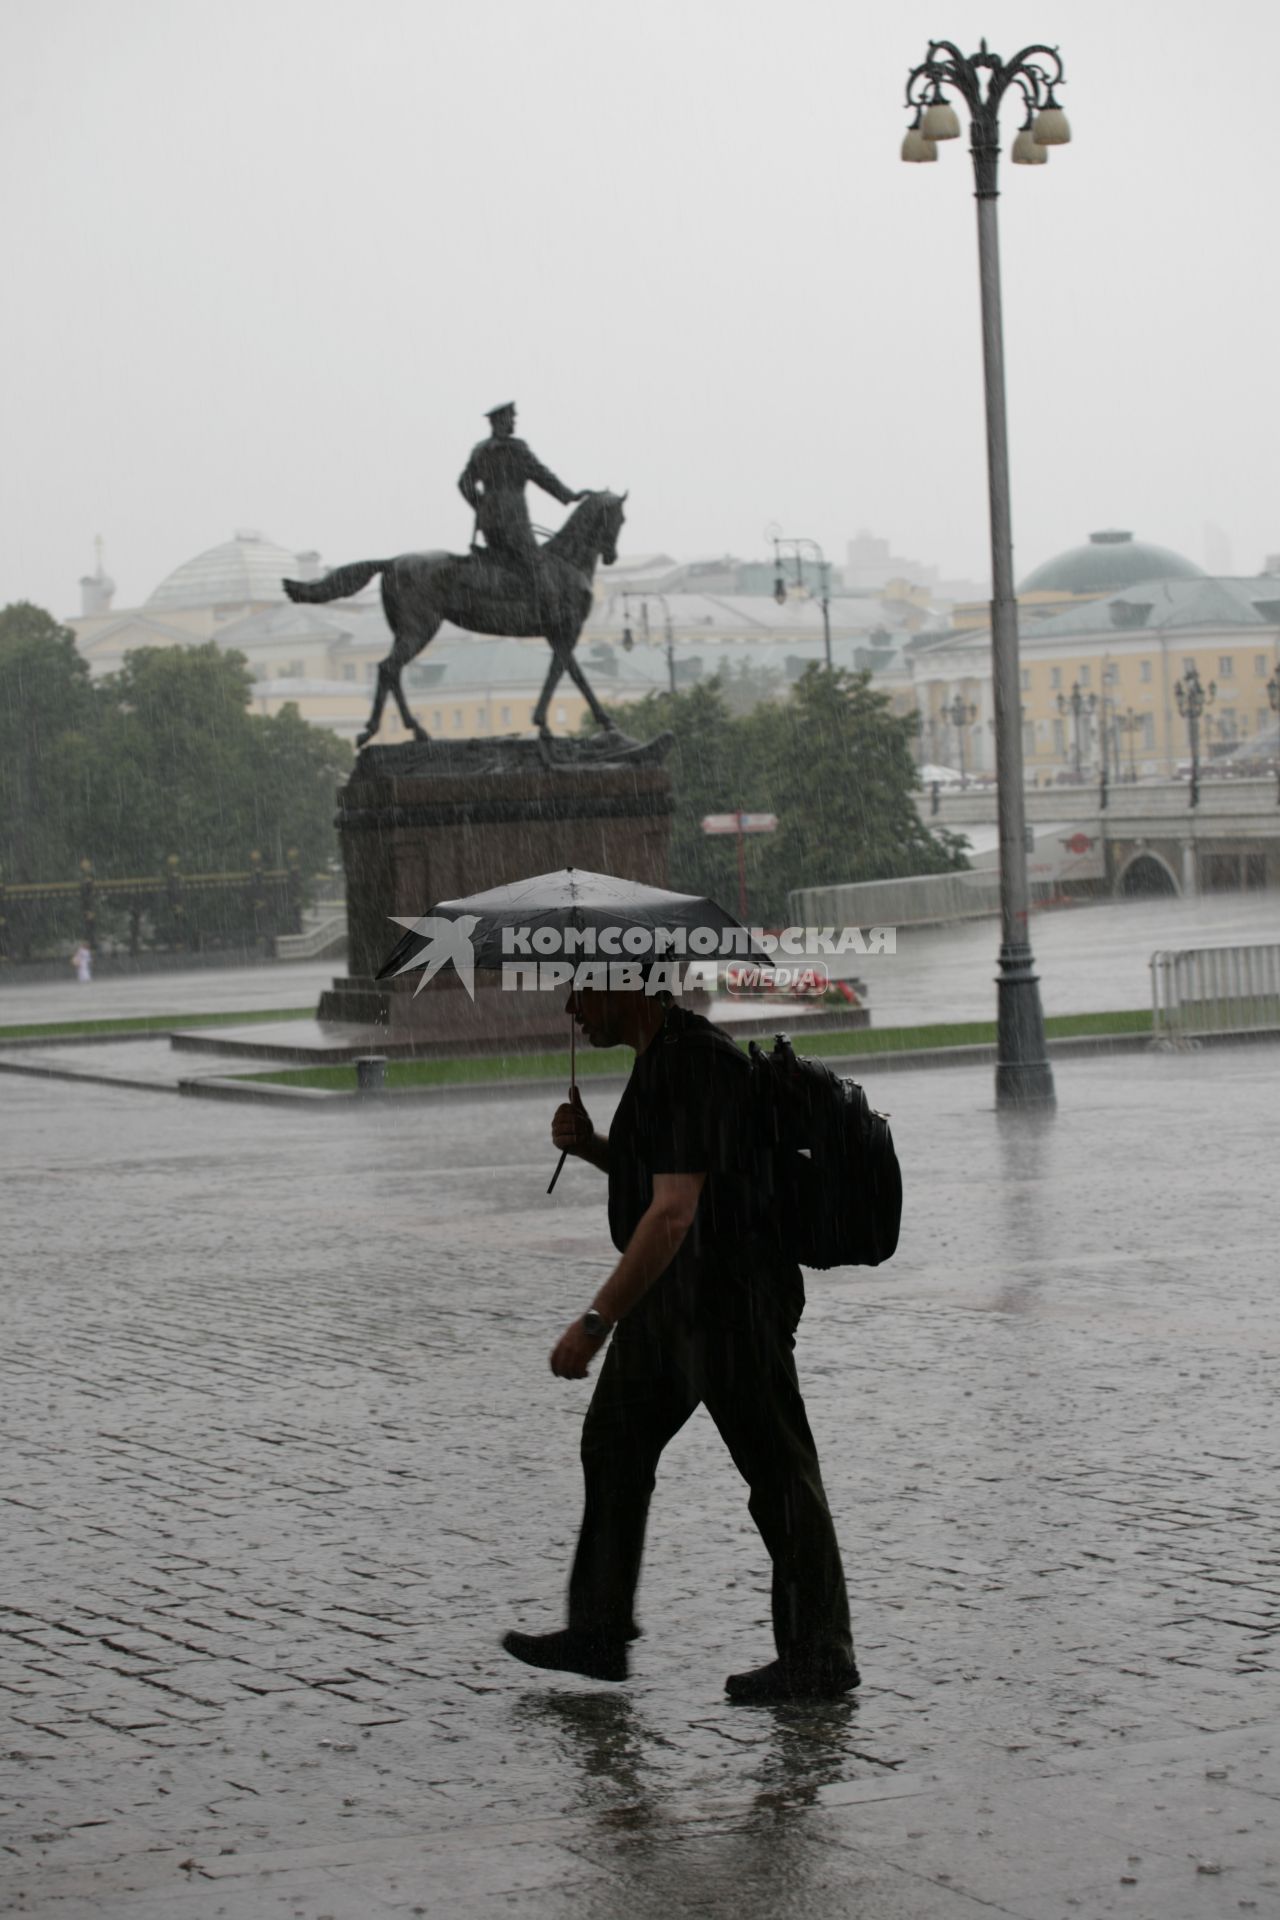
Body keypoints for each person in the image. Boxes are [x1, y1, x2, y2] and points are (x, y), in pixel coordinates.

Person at [502, 978, 858, 1704]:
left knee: (779, 1475)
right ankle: (598, 1633)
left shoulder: (695, 1061)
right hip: (677, 1305)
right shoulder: (660, 1057)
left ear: (622, 986)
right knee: (614, 1441)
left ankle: (820, 1654)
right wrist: (597, 1146)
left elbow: (672, 1214)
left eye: (580, 993)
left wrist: (597, 1321)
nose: (570, 1010)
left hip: (730, 1306)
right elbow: (667, 1173)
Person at [457, 402, 586, 581]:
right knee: (537, 567)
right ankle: (544, 607)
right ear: (501, 421)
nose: (514, 423)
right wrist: (569, 495)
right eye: (512, 419)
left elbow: (464, 483)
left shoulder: (481, 450)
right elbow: (542, 475)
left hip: (489, 524)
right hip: (514, 521)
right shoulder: (516, 449)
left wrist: (483, 506)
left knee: (499, 563)